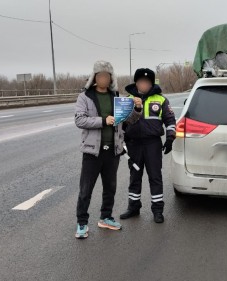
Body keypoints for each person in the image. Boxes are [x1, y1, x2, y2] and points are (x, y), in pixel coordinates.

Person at [74, 60, 143, 239]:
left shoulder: (116, 96)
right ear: (94, 77)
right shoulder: (85, 97)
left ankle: (106, 217)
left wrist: (137, 108)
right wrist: (103, 121)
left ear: (111, 78)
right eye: (100, 75)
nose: (103, 78)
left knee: (110, 187)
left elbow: (129, 120)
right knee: (85, 189)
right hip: (92, 151)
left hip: (112, 150)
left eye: (107, 75)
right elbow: (79, 120)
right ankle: (82, 222)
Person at [120, 68, 176, 223]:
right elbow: (121, 125)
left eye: (147, 82)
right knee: (134, 176)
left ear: (151, 83)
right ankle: (133, 207)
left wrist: (170, 138)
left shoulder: (161, 100)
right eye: (140, 82)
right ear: (136, 83)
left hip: (152, 144)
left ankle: (157, 210)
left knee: (155, 177)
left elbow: (170, 121)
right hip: (134, 145)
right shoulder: (127, 100)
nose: (143, 84)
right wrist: (120, 142)